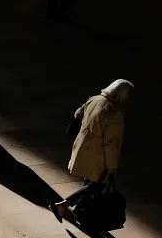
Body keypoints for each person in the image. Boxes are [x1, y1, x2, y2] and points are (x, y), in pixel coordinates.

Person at [51, 80, 134, 222]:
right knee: (97, 184)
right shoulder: (114, 113)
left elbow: (78, 114)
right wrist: (112, 167)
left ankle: (81, 212)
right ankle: (62, 205)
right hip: (98, 153)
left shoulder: (94, 99)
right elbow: (111, 144)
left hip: (83, 146)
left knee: (90, 181)